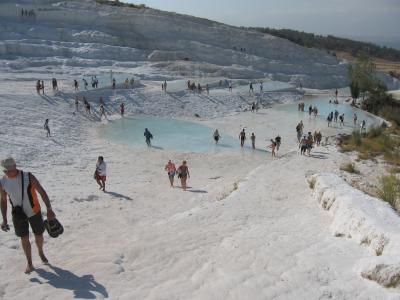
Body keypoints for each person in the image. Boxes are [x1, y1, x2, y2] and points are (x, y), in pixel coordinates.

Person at [0, 157, 56, 273]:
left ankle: (40, 252)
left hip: (34, 211)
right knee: (24, 237)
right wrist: (4, 219)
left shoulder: (28, 176)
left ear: (15, 166)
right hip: (18, 214)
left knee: (39, 234)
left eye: (10, 169)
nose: (8, 172)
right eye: (6, 170)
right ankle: (29, 262)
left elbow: (42, 192)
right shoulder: (3, 182)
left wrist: (49, 209)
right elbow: (3, 200)